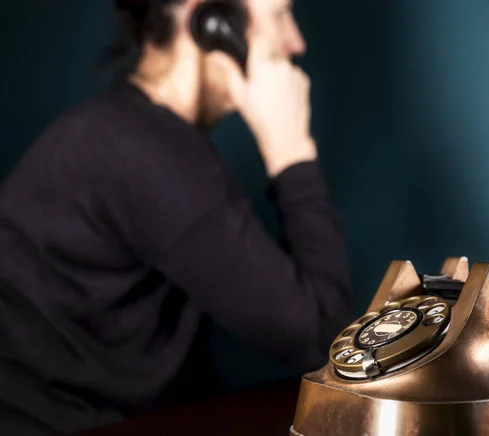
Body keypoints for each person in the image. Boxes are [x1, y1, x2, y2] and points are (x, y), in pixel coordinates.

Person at [0, 0, 354, 434]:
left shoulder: (123, 131)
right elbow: (329, 342)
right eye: (280, 14)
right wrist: (291, 149)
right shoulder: (148, 155)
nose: (295, 42)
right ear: (211, 21)